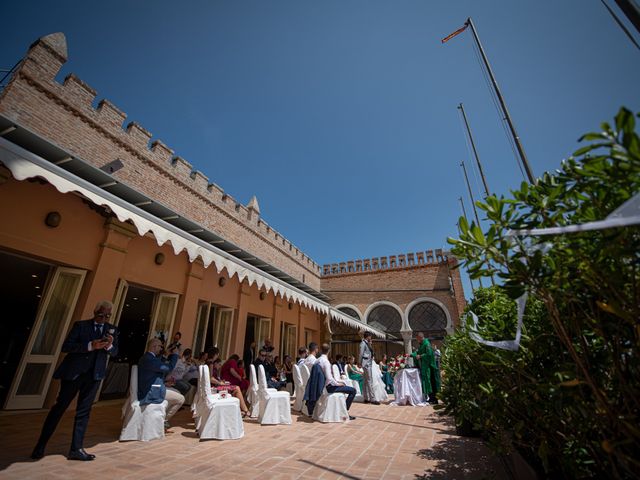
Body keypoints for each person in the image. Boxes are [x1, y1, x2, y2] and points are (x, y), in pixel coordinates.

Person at [31, 300, 119, 461]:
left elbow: (115, 352)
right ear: (95, 312)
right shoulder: (81, 326)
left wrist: (108, 346)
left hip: (94, 376)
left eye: (107, 316)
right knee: (59, 408)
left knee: (84, 412)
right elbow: (66, 346)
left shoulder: (111, 330)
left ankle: (76, 449)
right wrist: (90, 346)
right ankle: (40, 445)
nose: (104, 318)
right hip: (74, 374)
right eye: (101, 314)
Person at [138, 338, 184, 429]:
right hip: (150, 391)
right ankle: (163, 421)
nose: (161, 349)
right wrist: (175, 355)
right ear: (154, 346)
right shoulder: (149, 359)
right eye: (160, 346)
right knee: (181, 399)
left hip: (153, 386)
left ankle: (159, 418)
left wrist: (164, 383)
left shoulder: (148, 358)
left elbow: (151, 375)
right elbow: (168, 368)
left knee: (176, 392)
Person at [317, 343, 356, 420]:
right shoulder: (326, 362)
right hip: (329, 387)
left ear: (321, 350)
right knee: (353, 391)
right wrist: (338, 384)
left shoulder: (317, 361)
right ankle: (345, 412)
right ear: (329, 351)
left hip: (321, 386)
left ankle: (343, 410)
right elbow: (329, 378)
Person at [410, 332, 440, 403]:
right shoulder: (422, 345)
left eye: (417, 339)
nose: (417, 340)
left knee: (430, 382)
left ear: (420, 338)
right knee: (427, 382)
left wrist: (421, 356)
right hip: (425, 367)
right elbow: (418, 353)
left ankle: (433, 399)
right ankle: (431, 398)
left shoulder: (426, 344)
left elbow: (429, 354)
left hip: (429, 367)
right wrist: (411, 355)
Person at [359, 332, 378, 404]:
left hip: (368, 363)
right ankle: (372, 399)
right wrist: (359, 362)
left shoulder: (367, 343)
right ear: (368, 336)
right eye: (370, 336)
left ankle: (366, 398)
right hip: (366, 364)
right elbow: (361, 353)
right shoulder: (363, 343)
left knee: (365, 381)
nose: (371, 337)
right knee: (369, 380)